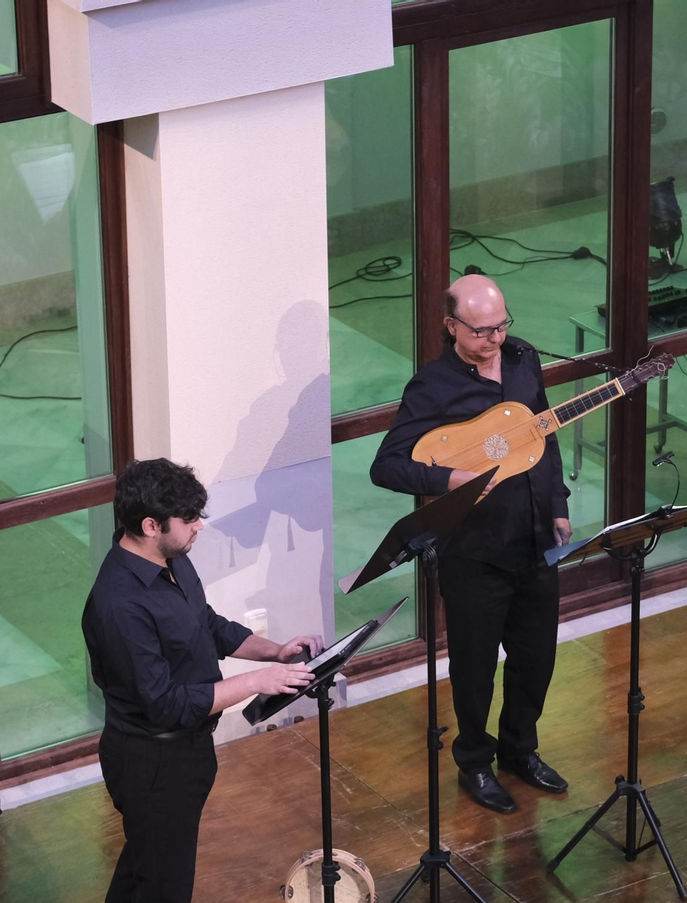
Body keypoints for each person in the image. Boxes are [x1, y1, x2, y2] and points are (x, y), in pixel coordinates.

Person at [370, 274, 572, 815]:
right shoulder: (432, 386)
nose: (496, 338)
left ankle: (520, 752)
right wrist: (450, 480)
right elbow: (385, 466)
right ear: (451, 326)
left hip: (534, 542)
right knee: (476, 669)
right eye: (483, 330)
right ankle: (475, 764)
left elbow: (543, 439)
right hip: (473, 554)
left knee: (536, 659)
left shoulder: (525, 361)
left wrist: (558, 505)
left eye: (502, 325)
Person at [83, 457, 322, 903]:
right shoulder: (119, 606)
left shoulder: (172, 560)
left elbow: (206, 625)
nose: (199, 527)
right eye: (188, 519)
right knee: (165, 887)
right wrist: (258, 681)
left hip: (187, 750)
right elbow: (165, 704)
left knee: (146, 871)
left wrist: (274, 650)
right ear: (151, 525)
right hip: (152, 763)